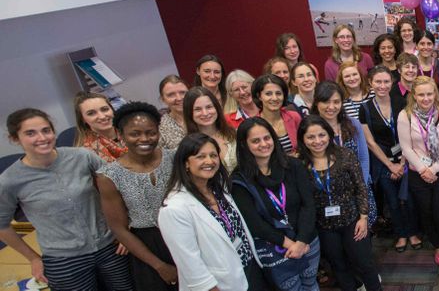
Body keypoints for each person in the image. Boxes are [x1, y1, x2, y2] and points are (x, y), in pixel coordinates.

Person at [0, 109, 134, 290]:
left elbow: (120, 188)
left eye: (46, 130)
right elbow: (2, 225)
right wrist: (32, 258)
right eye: (30, 133)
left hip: (111, 247)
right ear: (15, 139)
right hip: (64, 259)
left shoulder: (81, 156)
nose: (42, 137)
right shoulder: (10, 180)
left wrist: (125, 231)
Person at [159, 133, 268, 291]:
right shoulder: (175, 208)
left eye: (213, 155)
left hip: (248, 269)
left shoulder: (219, 187)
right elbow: (190, 263)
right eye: (200, 156)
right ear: (186, 163)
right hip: (218, 284)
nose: (209, 161)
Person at [96, 101, 179, 290]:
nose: (144, 139)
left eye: (151, 132)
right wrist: (159, 266)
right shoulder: (109, 175)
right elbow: (119, 228)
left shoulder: (175, 158)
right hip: (147, 246)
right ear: (120, 135)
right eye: (135, 133)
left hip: (183, 233)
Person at [231, 117, 321, 290]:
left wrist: (301, 241)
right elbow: (255, 224)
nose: (264, 144)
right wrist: (290, 244)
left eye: (267, 138)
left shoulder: (293, 165)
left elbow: (308, 204)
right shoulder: (239, 181)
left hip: (307, 241)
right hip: (276, 249)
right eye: (255, 141)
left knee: (311, 285)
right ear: (244, 145)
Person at [295, 116, 382, 291]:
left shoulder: (345, 155)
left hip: (353, 220)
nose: (317, 141)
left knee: (365, 264)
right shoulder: (299, 164)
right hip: (324, 226)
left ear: (329, 135)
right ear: (303, 139)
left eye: (321, 135)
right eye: (311, 137)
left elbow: (360, 187)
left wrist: (363, 217)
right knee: (339, 266)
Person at [358, 66, 422, 252]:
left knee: (409, 199)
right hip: (382, 160)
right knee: (392, 201)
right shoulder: (366, 109)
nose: (382, 85)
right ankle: (401, 235)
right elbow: (370, 142)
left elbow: (411, 132)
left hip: (406, 155)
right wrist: (390, 165)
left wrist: (402, 163)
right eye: (378, 81)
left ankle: (413, 233)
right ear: (370, 83)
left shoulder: (401, 102)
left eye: (386, 81)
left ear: (392, 82)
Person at [397, 76, 439, 265]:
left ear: (435, 94)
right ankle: (438, 246)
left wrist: (435, 168)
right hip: (418, 173)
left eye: (429, 94)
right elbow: (406, 148)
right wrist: (424, 169)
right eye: (421, 94)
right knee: (427, 211)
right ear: (413, 95)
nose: (425, 98)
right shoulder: (404, 115)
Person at [311, 83, 376, 228]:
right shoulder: (310, 128)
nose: (331, 107)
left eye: (336, 102)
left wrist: (361, 188)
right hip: (325, 193)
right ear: (317, 102)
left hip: (357, 190)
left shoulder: (352, 123)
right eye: (326, 102)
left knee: (362, 231)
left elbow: (364, 158)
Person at [183, 87, 239, 172]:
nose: (205, 113)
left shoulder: (235, 134)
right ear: (189, 113)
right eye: (198, 109)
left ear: (216, 108)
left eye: (209, 107)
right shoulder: (186, 147)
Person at [252, 74, 302, 154]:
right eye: (268, 94)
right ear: (259, 96)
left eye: (278, 93)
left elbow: (304, 145)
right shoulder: (253, 125)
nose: (275, 98)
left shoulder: (294, 117)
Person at [74, 91, 126, 162]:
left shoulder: (131, 130)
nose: (102, 116)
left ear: (112, 110)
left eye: (105, 109)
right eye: (91, 113)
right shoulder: (86, 153)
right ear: (83, 119)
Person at [159, 75, 190, 149]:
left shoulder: (203, 116)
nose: (179, 98)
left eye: (183, 92)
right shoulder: (160, 128)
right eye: (171, 95)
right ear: (163, 99)